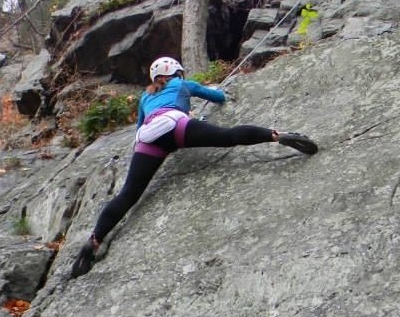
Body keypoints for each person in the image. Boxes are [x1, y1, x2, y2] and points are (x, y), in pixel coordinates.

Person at [70, 56, 317, 278]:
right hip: (177, 126)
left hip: (148, 140)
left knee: (128, 194)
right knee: (230, 136)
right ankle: (276, 135)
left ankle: (94, 241)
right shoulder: (182, 85)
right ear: (177, 72)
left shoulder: (146, 97)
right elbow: (218, 97)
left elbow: (139, 128)